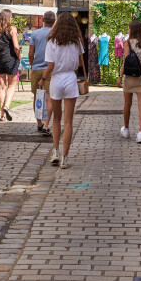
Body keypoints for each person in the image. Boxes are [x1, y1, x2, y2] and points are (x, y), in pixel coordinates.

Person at [42, 11, 86, 169]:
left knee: (56, 119)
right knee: (68, 121)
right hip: (70, 79)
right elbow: (81, 64)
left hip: (56, 79)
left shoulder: (51, 41)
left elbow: (51, 65)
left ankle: (55, 151)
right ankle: (65, 158)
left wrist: (42, 78)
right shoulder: (76, 42)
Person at [118, 20, 141, 143]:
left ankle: (126, 129)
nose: (128, 31)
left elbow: (126, 62)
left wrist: (120, 77)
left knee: (127, 103)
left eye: (128, 29)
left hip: (130, 77)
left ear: (132, 30)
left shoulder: (128, 43)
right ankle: (140, 133)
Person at [27, 11, 55, 135]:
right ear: (54, 21)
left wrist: (32, 64)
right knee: (49, 97)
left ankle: (38, 122)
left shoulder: (35, 34)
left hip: (37, 67)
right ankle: (46, 123)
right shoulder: (55, 33)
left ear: (43, 19)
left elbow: (30, 52)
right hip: (50, 68)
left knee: (36, 96)